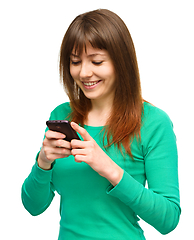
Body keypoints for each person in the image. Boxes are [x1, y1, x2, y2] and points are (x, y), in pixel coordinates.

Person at [21, 9, 181, 240]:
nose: (84, 72)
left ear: (121, 61)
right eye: (75, 62)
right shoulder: (63, 115)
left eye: (97, 61)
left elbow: (168, 219)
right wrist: (43, 162)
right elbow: (33, 206)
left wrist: (110, 170)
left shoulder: (153, 123)